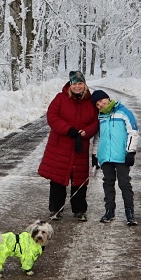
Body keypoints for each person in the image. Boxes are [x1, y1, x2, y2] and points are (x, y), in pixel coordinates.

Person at [37, 70, 99, 221]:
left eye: (80, 83)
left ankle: (79, 210)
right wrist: (69, 130)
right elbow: (52, 116)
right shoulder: (60, 98)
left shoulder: (90, 101)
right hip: (60, 144)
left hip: (81, 145)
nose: (77, 87)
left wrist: (87, 132)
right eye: (75, 84)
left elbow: (97, 121)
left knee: (79, 178)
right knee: (58, 178)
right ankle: (56, 209)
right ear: (70, 85)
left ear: (84, 85)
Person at [90, 89, 139, 226]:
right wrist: (95, 155)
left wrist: (130, 151)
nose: (100, 105)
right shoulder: (101, 117)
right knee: (108, 183)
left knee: (124, 184)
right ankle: (109, 211)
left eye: (101, 101)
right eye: (97, 105)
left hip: (121, 156)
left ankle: (130, 213)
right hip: (106, 157)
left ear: (107, 98)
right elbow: (98, 138)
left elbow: (133, 132)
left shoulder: (123, 112)